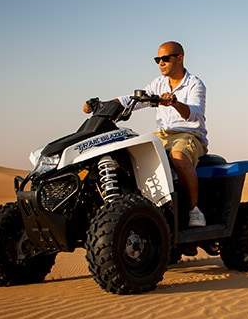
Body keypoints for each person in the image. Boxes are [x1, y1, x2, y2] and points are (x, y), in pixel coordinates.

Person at [84, 41, 208, 226]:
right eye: (158, 59)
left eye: (165, 58)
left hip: (189, 135)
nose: (161, 63)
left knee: (178, 155)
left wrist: (174, 103)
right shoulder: (157, 84)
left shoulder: (194, 84)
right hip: (162, 135)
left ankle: (194, 210)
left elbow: (194, 113)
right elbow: (133, 100)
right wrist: (102, 105)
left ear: (180, 58)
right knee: (131, 153)